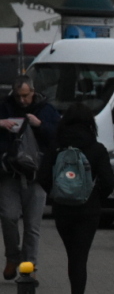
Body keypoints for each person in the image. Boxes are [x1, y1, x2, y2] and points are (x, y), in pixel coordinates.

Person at [35, 104, 112, 294]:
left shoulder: (56, 147)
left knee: (73, 255)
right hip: (88, 211)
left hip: (63, 210)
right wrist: (94, 196)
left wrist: (56, 194)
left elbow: (42, 177)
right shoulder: (96, 148)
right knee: (80, 256)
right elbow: (108, 182)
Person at [0, 76, 59, 279]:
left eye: (25, 96)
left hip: (36, 175)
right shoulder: (5, 107)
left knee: (32, 226)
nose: (22, 100)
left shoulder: (46, 110)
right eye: (18, 96)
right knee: (8, 217)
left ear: (32, 92)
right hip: (10, 173)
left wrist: (40, 125)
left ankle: (28, 267)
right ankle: (12, 256)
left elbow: (57, 136)